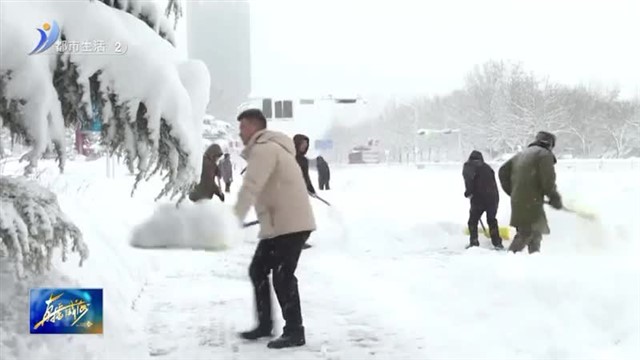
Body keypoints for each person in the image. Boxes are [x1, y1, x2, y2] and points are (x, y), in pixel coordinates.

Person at [233, 109, 316, 349]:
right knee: (258, 269)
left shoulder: (265, 148)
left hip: (291, 224)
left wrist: (233, 219)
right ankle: (265, 325)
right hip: (279, 224)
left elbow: (251, 186)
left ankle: (295, 331)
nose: (240, 133)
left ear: (254, 128)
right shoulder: (270, 148)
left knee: (282, 275)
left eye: (243, 128)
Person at [498, 131, 563, 254]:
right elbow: (547, 180)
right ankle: (510, 257)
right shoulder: (544, 155)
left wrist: (514, 192)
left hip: (523, 200)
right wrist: (554, 197)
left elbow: (503, 171)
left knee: (536, 232)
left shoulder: (522, 154)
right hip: (530, 201)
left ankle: (534, 259)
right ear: (550, 144)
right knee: (526, 232)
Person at [462, 150, 503, 249]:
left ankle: (474, 242)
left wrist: (468, 193)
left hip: (478, 199)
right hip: (493, 197)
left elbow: (469, 182)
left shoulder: (469, 166)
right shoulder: (487, 167)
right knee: (492, 220)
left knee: (473, 221)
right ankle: (497, 243)